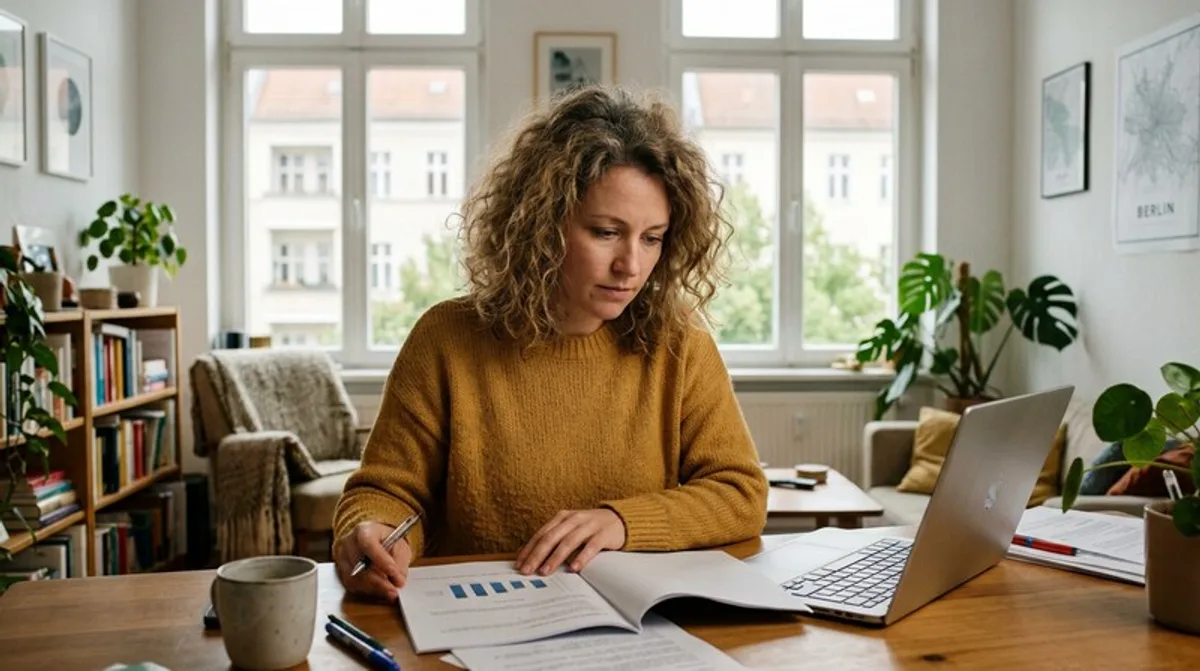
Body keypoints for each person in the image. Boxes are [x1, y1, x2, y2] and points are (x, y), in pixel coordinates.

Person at [332, 85, 769, 601]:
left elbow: (740, 492)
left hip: (633, 625)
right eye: (606, 232)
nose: (631, 265)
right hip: (480, 618)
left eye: (652, 238)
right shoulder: (446, 339)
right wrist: (373, 530)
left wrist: (621, 522)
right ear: (543, 225)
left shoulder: (680, 343)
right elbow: (385, 492)